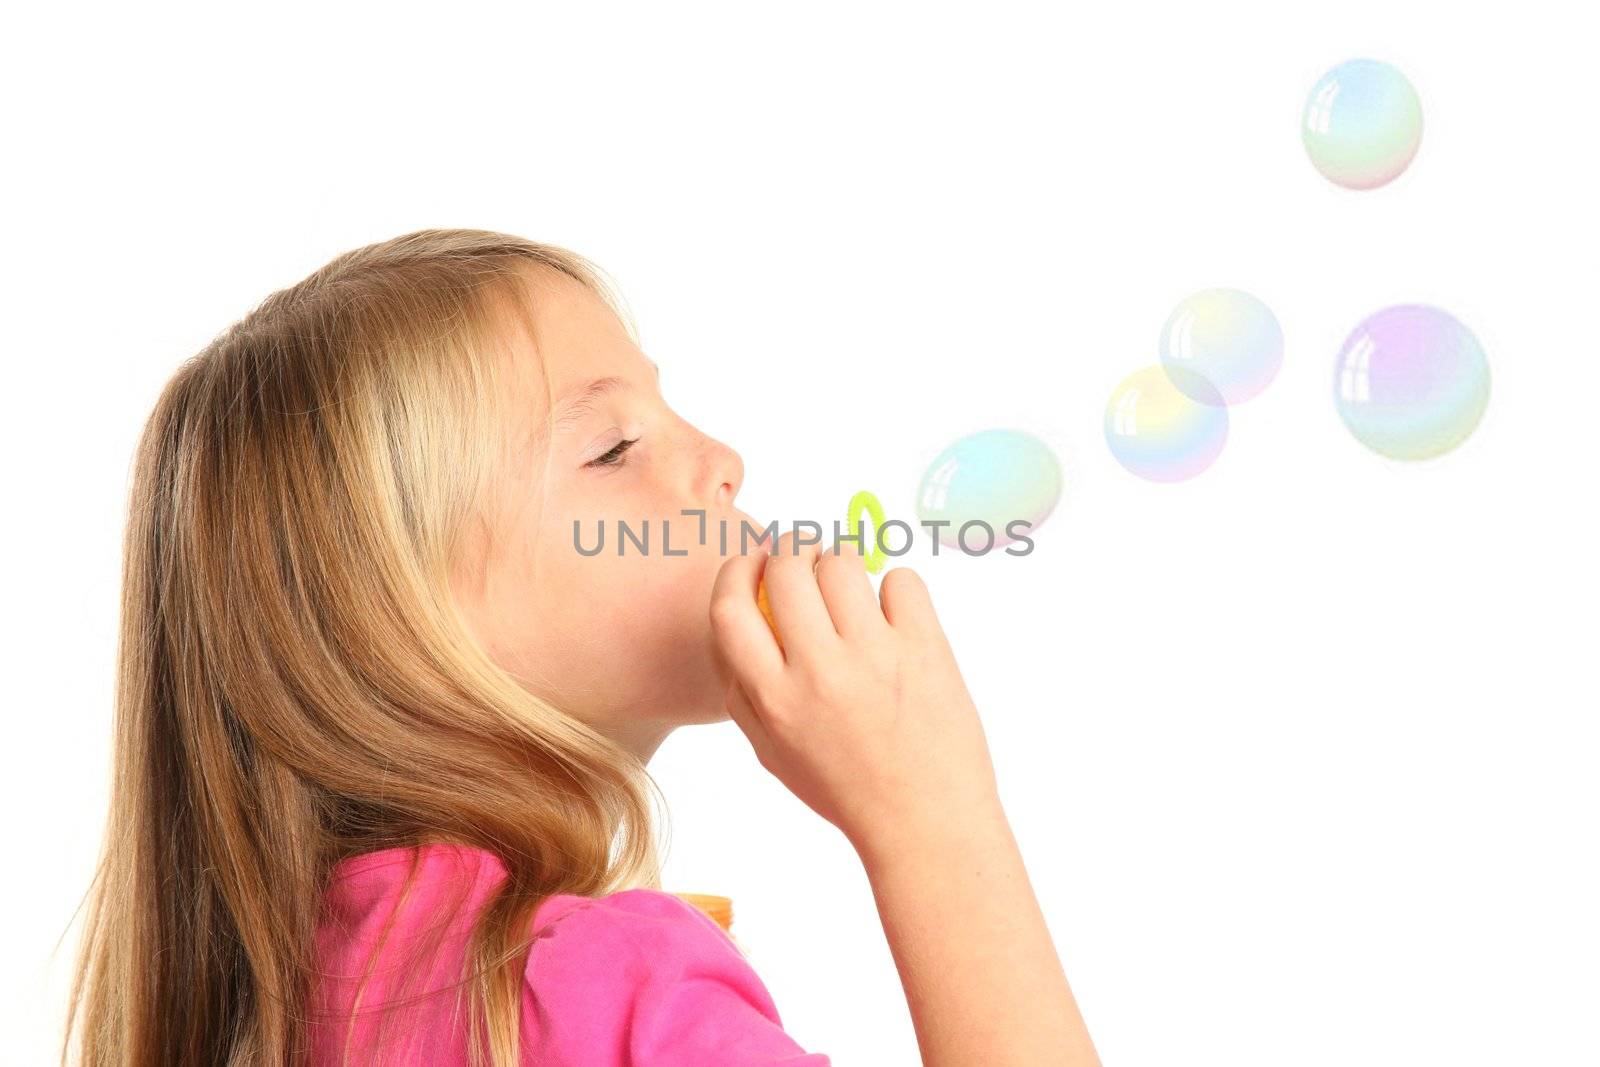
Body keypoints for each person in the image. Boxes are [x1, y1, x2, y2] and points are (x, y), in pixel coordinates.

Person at [63, 228, 1102, 1066]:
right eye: (612, 447)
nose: (723, 462)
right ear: (398, 626)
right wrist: (932, 818)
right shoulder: (601, 993)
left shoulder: (301, 995)